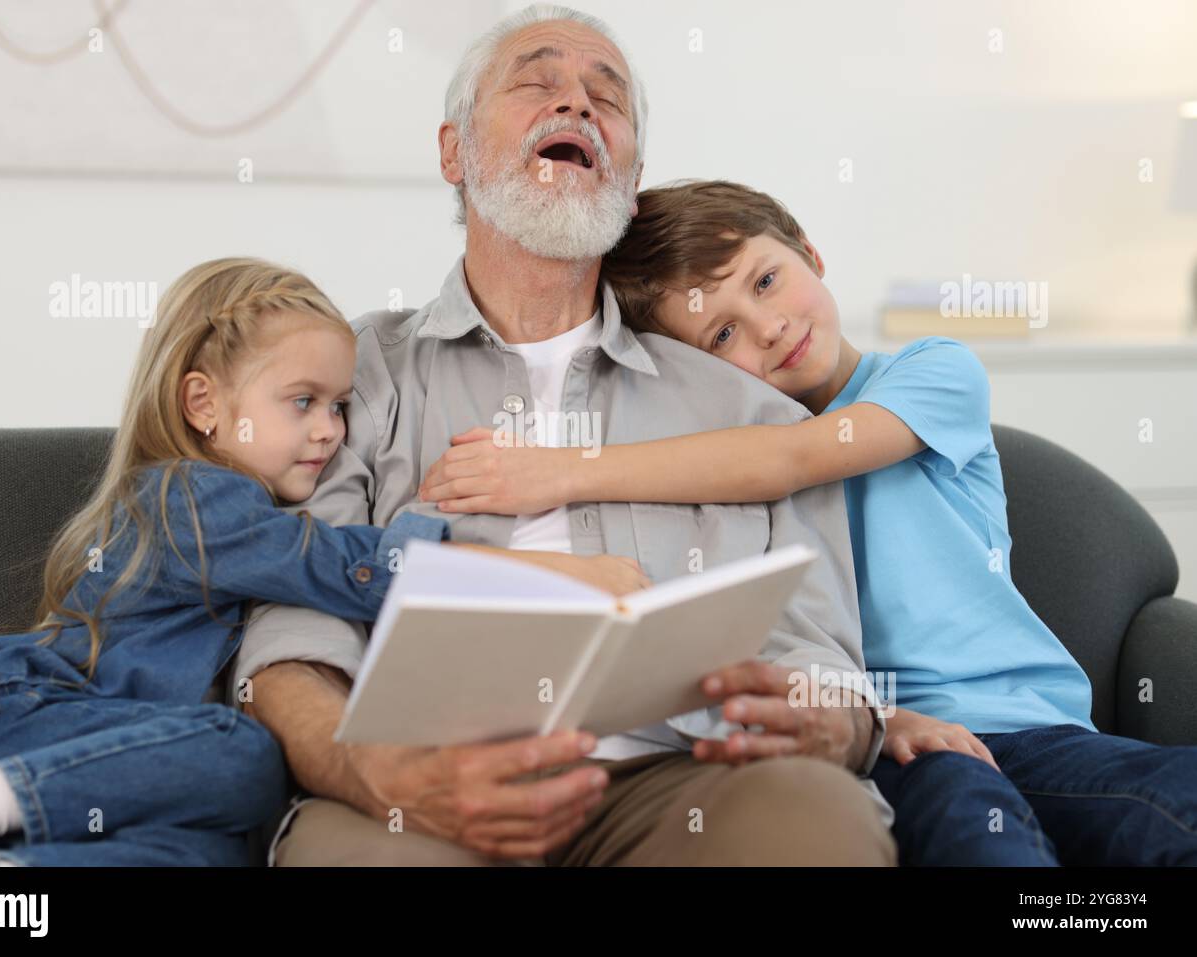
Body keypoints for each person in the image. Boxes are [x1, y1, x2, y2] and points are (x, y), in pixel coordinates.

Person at [234, 6, 895, 867]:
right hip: (422, 788)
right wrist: (378, 775)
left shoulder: (743, 405)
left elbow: (826, 655)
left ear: (631, 174)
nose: (578, 106)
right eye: (537, 83)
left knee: (818, 822)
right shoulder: (352, 375)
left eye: (605, 97)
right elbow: (287, 638)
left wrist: (831, 723)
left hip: (681, 781)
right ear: (452, 153)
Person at [421, 178, 1197, 866]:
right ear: (693, 372)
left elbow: (793, 455)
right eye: (719, 334)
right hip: (895, 749)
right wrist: (880, 717)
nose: (764, 327)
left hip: (1034, 731)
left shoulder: (933, 372)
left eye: (765, 280)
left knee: (1167, 807)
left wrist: (560, 469)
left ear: (810, 252)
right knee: (980, 838)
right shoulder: (710, 480)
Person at [0, 256, 632, 866]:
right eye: (302, 401)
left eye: (341, 405)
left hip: (104, 767)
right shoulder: (189, 499)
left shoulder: (250, 515)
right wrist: (527, 564)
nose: (329, 431)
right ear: (204, 404)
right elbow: (345, 566)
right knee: (244, 750)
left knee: (212, 854)